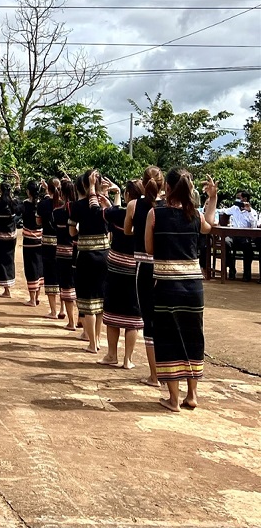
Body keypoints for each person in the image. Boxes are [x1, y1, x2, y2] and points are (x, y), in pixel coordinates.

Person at [146, 170, 218, 412]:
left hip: (167, 285)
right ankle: (192, 395)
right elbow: (209, 226)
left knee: (168, 337)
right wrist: (213, 199)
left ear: (167, 186)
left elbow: (148, 248)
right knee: (193, 336)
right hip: (193, 287)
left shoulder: (155, 213)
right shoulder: (194, 215)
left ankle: (173, 399)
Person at [125, 166, 165, 387]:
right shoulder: (169, 207)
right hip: (166, 267)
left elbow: (127, 231)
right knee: (165, 320)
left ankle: (154, 375)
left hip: (143, 265)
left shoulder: (134, 205)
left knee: (148, 320)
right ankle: (168, 375)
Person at [70, 170, 117, 354]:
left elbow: (72, 232)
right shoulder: (106, 205)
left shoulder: (77, 206)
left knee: (87, 302)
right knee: (100, 302)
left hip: (86, 256)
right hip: (105, 255)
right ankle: (97, 339)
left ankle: (92, 343)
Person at [101, 180, 144, 369]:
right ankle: (128, 359)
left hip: (117, 266)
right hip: (136, 268)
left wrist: (114, 194)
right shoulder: (148, 215)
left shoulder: (119, 214)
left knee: (113, 311)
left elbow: (107, 212)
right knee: (133, 315)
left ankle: (112, 354)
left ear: (128, 195)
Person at [53, 178, 78, 331]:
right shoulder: (78, 209)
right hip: (77, 250)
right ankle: (82, 318)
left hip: (62, 251)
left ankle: (71, 321)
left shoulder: (58, 212)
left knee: (66, 285)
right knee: (79, 285)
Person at [36, 178, 61, 319]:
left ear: (48, 189)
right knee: (62, 276)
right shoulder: (65, 204)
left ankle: (53, 311)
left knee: (50, 276)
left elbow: (38, 222)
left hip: (47, 243)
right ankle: (63, 308)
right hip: (63, 244)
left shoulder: (43, 204)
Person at [219, 193, 258, 280]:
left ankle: (247, 274)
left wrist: (249, 211)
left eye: (238, 198)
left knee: (248, 250)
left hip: (244, 237)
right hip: (232, 236)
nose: (236, 200)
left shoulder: (252, 212)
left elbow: (254, 225)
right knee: (225, 243)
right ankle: (232, 269)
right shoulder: (234, 208)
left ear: (244, 199)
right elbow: (223, 211)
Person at [0, 181, 20, 298]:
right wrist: (18, 184)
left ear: (1, 190)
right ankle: (9, 284)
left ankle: (6, 289)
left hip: (0, 236)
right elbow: (18, 199)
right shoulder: (14, 204)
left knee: (1, 261)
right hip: (11, 236)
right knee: (10, 259)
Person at [20, 180, 45, 308]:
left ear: (28, 191)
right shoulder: (41, 204)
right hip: (40, 239)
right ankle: (38, 296)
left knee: (30, 268)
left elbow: (16, 208)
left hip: (29, 240)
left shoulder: (25, 204)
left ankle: (32, 299)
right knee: (39, 267)